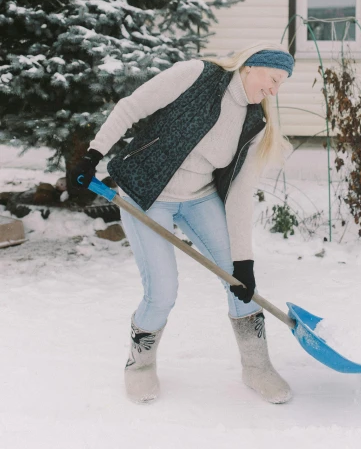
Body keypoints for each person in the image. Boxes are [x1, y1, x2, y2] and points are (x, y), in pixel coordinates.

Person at [71, 44, 294, 405]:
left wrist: (244, 261)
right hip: (145, 192)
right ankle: (139, 365)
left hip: (198, 198)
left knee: (240, 282)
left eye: (281, 84)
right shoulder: (196, 75)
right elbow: (131, 106)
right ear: (251, 66)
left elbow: (239, 193)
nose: (274, 90)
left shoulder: (255, 122)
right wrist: (92, 155)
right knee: (162, 291)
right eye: (273, 78)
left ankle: (257, 366)